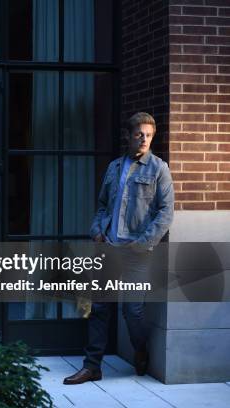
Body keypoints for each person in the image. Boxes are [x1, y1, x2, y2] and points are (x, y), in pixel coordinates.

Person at [63, 112, 174, 385]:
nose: (145, 139)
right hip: (109, 248)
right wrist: (97, 230)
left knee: (132, 310)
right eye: (140, 134)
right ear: (129, 136)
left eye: (149, 135)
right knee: (99, 307)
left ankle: (140, 349)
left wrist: (143, 242)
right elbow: (102, 204)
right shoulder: (114, 167)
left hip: (137, 253)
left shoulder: (159, 169)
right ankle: (92, 367)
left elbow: (166, 212)